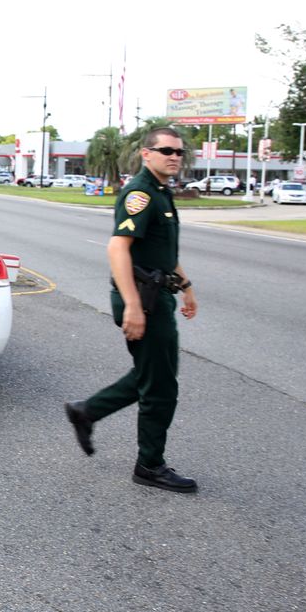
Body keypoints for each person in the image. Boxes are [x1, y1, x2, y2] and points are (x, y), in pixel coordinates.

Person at [64, 127, 200, 493]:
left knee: (151, 374)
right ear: (146, 154)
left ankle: (86, 411)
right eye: (167, 151)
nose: (174, 157)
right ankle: (150, 465)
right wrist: (134, 308)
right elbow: (117, 249)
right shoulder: (140, 193)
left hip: (158, 295)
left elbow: (164, 253)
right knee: (161, 387)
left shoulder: (160, 192)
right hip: (142, 299)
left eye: (179, 152)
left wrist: (185, 286)